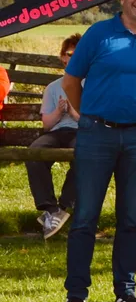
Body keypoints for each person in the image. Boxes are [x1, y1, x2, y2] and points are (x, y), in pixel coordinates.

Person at [61, 0, 136, 302]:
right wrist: (88, 114)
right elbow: (70, 81)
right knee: (85, 217)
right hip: (97, 134)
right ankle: (76, 296)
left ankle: (126, 292)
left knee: (130, 219)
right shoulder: (99, 34)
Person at [27, 34, 81, 239]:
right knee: (34, 153)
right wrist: (59, 112)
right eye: (69, 54)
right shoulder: (53, 87)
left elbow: (91, 121)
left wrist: (74, 112)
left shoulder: (91, 85)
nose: (73, 57)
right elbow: (47, 124)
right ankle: (50, 208)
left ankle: (65, 206)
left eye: (78, 53)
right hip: (57, 132)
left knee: (84, 153)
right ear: (62, 57)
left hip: (81, 132)